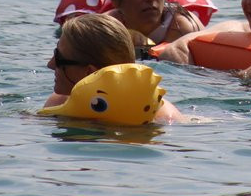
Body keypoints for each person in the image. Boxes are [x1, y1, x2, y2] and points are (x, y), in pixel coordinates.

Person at [44, 12, 182, 124]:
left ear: (90, 73)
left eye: (59, 58)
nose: (50, 65)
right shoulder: (58, 101)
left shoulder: (163, 118)